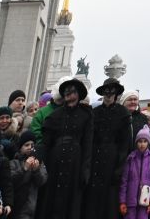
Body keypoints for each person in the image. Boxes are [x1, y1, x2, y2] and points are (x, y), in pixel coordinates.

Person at [38, 82, 92, 219]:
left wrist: (85, 169)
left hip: (75, 162)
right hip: (55, 161)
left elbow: (87, 144)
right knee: (51, 199)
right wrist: (36, 157)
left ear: (78, 94)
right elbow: (45, 142)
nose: (69, 92)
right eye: (66, 90)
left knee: (71, 201)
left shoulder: (86, 115)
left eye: (72, 90)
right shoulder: (54, 115)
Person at [89, 83, 139, 219]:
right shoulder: (95, 112)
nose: (109, 94)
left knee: (110, 202)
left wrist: (120, 167)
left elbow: (125, 143)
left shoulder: (123, 113)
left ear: (116, 93)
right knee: (93, 202)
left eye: (112, 91)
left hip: (113, 160)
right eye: (106, 91)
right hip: (96, 159)